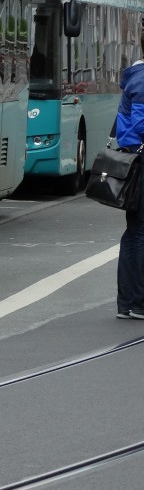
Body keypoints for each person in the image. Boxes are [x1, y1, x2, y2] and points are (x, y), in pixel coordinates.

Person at [112, 33, 144, 320]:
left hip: (134, 158)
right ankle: (137, 302)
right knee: (140, 233)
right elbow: (141, 123)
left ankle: (129, 302)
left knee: (135, 232)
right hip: (141, 161)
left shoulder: (136, 76)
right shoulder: (143, 79)